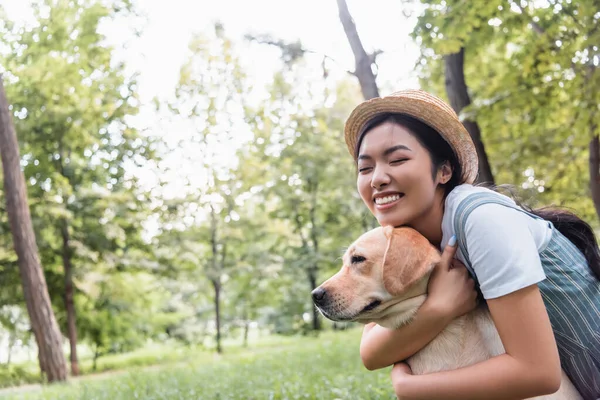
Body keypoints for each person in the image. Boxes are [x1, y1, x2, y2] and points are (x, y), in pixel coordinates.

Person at [344, 89, 600, 400]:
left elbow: (539, 374)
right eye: (365, 168)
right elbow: (371, 352)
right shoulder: (410, 239)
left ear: (444, 171)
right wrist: (441, 306)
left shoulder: (481, 220)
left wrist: (412, 388)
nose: (377, 179)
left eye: (397, 159)